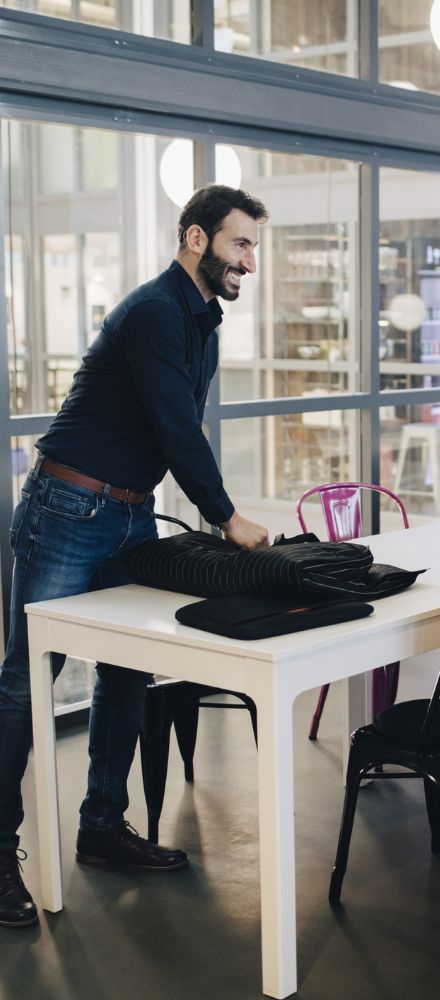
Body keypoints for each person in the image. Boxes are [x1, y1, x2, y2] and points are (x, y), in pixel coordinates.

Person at [0, 184, 271, 928]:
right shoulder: (156, 312)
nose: (251, 259)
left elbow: (180, 431)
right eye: (239, 243)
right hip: (67, 509)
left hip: (126, 514)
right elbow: (177, 431)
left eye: (254, 245)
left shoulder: (202, 321)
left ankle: (100, 827)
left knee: (125, 670)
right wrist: (224, 517)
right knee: (27, 685)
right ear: (196, 239)